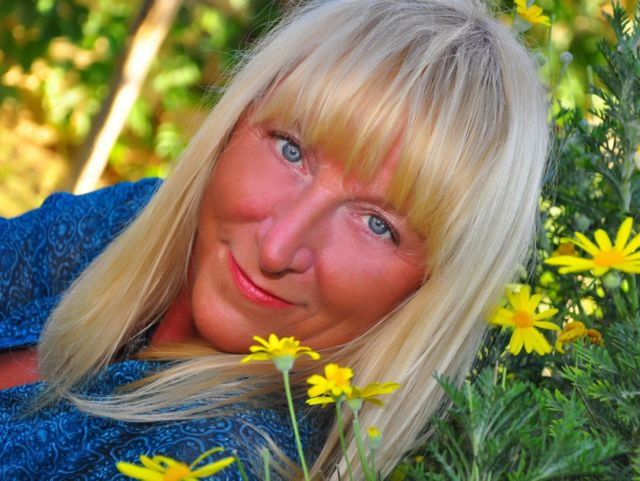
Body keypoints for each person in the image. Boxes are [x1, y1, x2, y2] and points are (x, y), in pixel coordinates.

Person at [0, 0, 549, 479]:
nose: (277, 248)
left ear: (431, 289)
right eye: (291, 150)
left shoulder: (227, 455)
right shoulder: (145, 222)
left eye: (377, 225)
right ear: (237, 121)